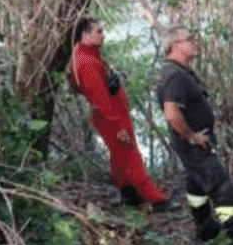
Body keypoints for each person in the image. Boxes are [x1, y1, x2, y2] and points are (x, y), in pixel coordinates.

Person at [156, 25, 233, 245]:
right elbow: (171, 114)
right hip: (193, 143)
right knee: (222, 187)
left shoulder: (181, 72)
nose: (194, 42)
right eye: (188, 39)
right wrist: (192, 136)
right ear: (174, 45)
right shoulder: (174, 76)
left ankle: (205, 227)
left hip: (191, 142)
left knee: (196, 183)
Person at [70, 17, 175, 212]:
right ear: (84, 35)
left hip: (113, 116)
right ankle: (157, 200)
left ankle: (128, 193)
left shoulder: (89, 55)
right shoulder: (85, 61)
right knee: (130, 155)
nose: (103, 35)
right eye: (98, 32)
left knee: (119, 157)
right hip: (111, 119)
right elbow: (99, 99)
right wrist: (117, 127)